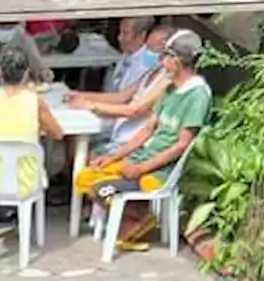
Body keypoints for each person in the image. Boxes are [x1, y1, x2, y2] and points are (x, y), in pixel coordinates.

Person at [73, 29, 211, 251]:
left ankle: (134, 221)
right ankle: (139, 218)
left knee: (101, 189)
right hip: (141, 158)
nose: (160, 61)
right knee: (85, 178)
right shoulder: (169, 88)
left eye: (164, 56)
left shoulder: (197, 95)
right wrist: (113, 157)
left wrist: (142, 168)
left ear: (176, 61)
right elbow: (147, 129)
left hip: (159, 171)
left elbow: (182, 144)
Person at [0, 49, 64, 201]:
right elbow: (58, 133)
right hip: (26, 182)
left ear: (0, 73)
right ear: (26, 74)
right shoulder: (36, 102)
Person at [68, 24, 172, 150]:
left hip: (135, 143)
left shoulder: (167, 80)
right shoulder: (151, 72)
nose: (148, 54)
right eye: (148, 48)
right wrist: (79, 95)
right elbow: (121, 97)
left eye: (154, 51)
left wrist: (91, 105)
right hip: (121, 134)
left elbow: (135, 110)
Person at [102, 17, 159, 95]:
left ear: (142, 35)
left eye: (125, 33)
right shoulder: (124, 57)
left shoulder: (150, 61)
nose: (119, 38)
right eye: (119, 32)